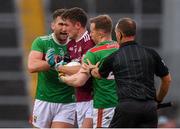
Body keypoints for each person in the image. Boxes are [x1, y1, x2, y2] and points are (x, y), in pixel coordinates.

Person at [90, 17, 172, 128]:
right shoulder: (151, 53)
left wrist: (91, 69)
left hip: (126, 108)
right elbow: (167, 80)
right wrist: (158, 100)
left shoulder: (114, 56)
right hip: (149, 108)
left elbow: (98, 74)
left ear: (119, 34)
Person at [59, 15, 119, 128]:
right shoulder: (120, 48)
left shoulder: (93, 53)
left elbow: (79, 81)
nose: (90, 34)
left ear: (100, 33)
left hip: (105, 105)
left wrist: (63, 78)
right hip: (123, 105)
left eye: (92, 31)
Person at [27, 9, 75, 128]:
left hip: (67, 101)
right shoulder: (41, 42)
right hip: (44, 100)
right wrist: (50, 63)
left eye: (67, 25)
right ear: (53, 25)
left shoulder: (76, 45)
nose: (64, 29)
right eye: (61, 24)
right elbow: (32, 66)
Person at [57, 7, 95, 128]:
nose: (64, 29)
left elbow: (84, 69)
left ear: (78, 25)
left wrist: (59, 68)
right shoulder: (70, 44)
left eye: (67, 25)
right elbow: (67, 66)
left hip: (93, 98)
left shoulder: (90, 42)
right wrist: (59, 62)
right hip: (79, 99)